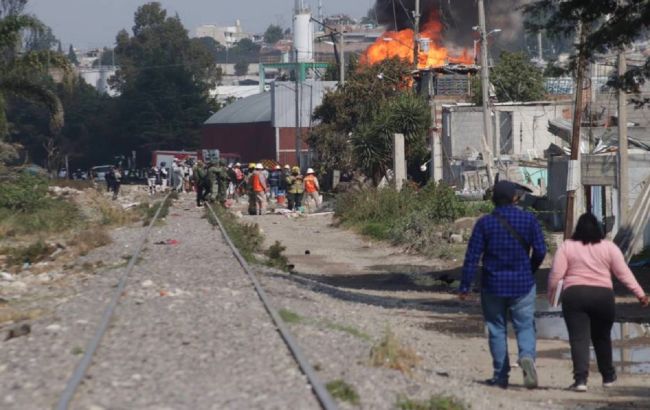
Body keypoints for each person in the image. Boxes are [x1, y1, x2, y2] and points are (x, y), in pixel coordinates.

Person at [459, 180, 547, 389]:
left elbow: (472, 257)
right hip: (523, 284)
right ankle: (526, 356)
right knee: (525, 325)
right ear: (515, 198)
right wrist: (530, 268)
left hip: (492, 285)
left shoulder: (485, 223)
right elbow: (541, 250)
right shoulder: (529, 220)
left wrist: (464, 286)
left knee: (496, 329)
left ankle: (501, 376)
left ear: (493, 200)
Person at [548, 213, 648, 392]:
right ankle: (608, 377)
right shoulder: (609, 248)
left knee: (579, 339)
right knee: (602, 337)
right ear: (599, 229)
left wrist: (552, 294)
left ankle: (580, 380)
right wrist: (641, 295)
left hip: (574, 296)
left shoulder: (567, 247)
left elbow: (556, 274)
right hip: (603, 296)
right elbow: (624, 274)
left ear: (578, 229)